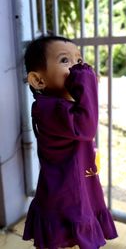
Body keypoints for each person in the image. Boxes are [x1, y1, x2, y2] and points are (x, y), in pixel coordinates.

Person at [22, 35, 118, 249]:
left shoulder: (63, 106)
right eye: (65, 61)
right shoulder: (49, 109)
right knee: (66, 234)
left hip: (79, 181)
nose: (77, 69)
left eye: (79, 61)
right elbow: (86, 126)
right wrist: (86, 82)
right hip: (66, 191)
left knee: (75, 233)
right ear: (39, 80)